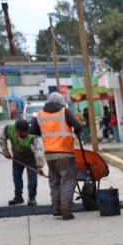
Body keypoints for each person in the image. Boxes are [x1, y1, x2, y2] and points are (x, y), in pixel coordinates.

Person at [30, 92, 84, 220]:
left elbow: (33, 132)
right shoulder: (65, 112)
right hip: (65, 152)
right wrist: (77, 132)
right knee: (67, 180)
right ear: (61, 103)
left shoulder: (39, 115)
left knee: (54, 181)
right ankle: (66, 210)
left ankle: (56, 208)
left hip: (49, 154)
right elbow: (77, 126)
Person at [0, 118, 44, 205]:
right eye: (21, 133)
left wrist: (39, 166)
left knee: (32, 179)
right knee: (17, 177)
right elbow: (1, 138)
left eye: (25, 132)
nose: (24, 134)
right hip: (17, 157)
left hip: (31, 158)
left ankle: (32, 198)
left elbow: (39, 152)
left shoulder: (32, 137)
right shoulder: (9, 128)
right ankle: (18, 197)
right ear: (16, 130)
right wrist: (5, 151)